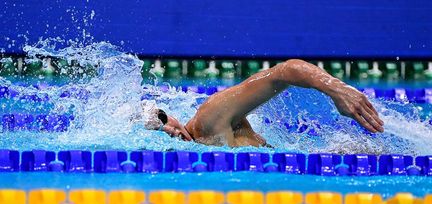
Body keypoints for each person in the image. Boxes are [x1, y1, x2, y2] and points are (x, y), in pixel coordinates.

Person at [147, 59, 384, 147]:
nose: (168, 130)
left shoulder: (208, 120)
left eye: (162, 119)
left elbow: (285, 71)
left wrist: (338, 89)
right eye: (158, 132)